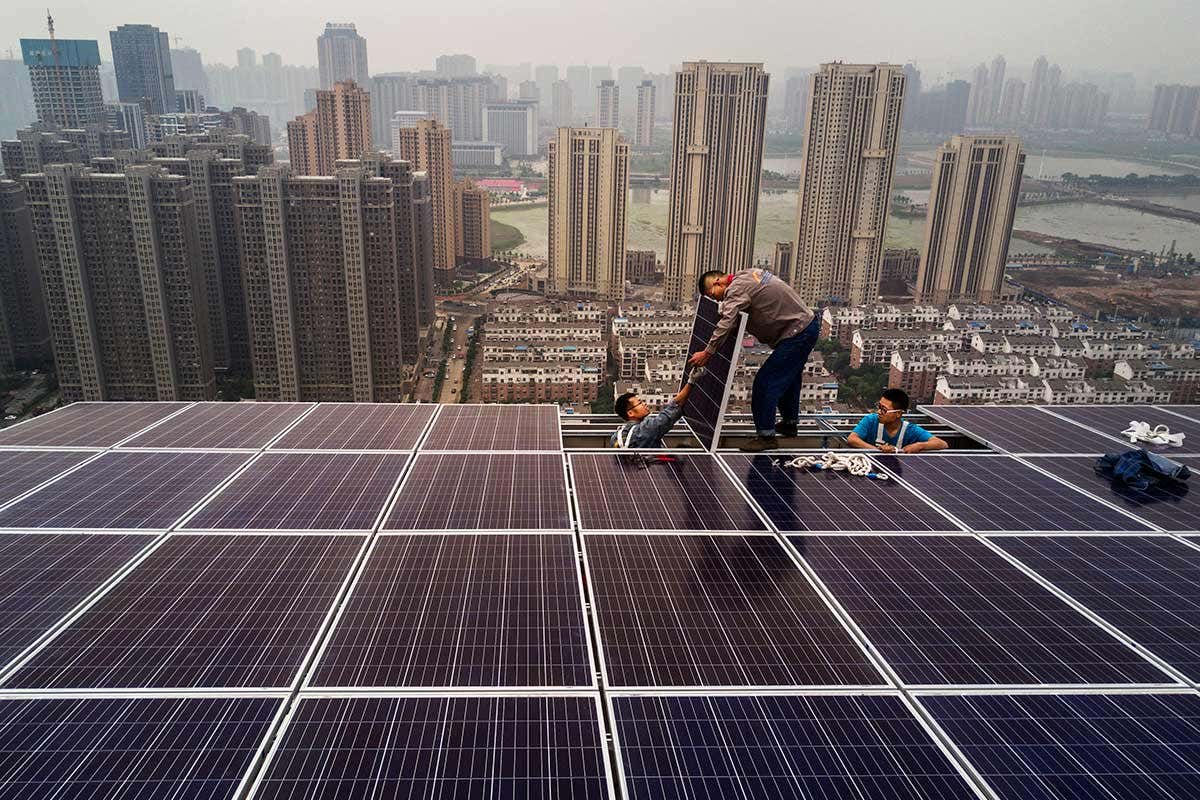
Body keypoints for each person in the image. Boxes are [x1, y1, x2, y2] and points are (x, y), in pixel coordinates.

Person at [688, 268, 820, 452]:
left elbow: (727, 321)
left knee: (765, 383)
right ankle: (790, 423)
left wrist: (707, 352)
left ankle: (766, 436)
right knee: (789, 377)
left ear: (718, 282)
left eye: (713, 294)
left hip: (797, 332)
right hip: (805, 325)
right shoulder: (745, 274)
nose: (717, 299)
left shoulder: (735, 290)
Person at [612, 368, 705, 448]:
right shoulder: (646, 428)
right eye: (640, 403)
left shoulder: (616, 437)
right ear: (630, 413)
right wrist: (691, 381)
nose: (644, 404)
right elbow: (672, 409)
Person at [847, 388, 948, 454]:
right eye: (879, 407)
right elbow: (852, 439)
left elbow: (942, 444)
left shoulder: (910, 430)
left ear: (898, 413)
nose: (879, 412)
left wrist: (919, 445)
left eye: (884, 409)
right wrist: (878, 451)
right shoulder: (871, 420)